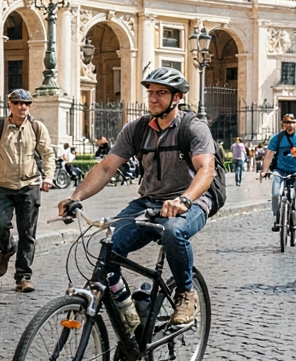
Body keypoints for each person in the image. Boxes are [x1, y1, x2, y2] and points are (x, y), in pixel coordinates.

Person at [59, 68, 216, 327]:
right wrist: (76, 197)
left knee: (172, 231)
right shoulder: (137, 129)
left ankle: (186, 293)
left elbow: (205, 170)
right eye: (150, 93)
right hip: (148, 202)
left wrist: (184, 200)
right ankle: (129, 312)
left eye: (161, 93)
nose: (153, 99)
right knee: (108, 250)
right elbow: (107, 167)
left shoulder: (193, 128)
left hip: (192, 201)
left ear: (177, 97)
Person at [0, 89, 56, 292]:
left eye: (26, 104)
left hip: (29, 185)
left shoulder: (37, 127)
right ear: (10, 105)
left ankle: (23, 277)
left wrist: (48, 176)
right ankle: (6, 248)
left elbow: (47, 153)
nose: (22, 107)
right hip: (2, 185)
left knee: (28, 233)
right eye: (18, 103)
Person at [263, 114, 296, 230]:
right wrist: (264, 171)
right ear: (283, 124)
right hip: (280, 171)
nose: (290, 125)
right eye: (287, 122)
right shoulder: (277, 138)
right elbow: (269, 155)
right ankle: (277, 218)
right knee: (275, 194)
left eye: (293, 122)